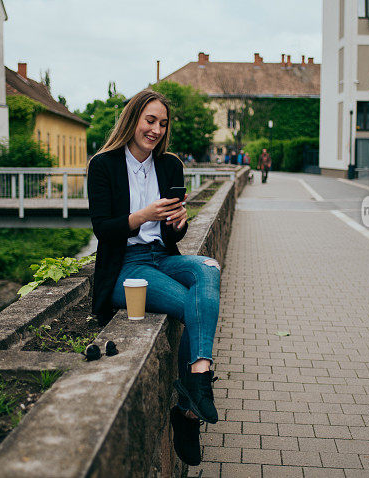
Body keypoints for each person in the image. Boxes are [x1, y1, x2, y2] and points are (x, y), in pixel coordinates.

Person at [86, 89, 221, 466]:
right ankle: (190, 413)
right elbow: (103, 229)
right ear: (133, 119)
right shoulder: (104, 165)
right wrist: (143, 215)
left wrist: (179, 223)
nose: (156, 129)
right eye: (150, 120)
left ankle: (196, 380)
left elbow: (172, 235)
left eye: (162, 123)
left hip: (162, 257)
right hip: (124, 267)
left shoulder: (170, 165)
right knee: (193, 308)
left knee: (208, 268)